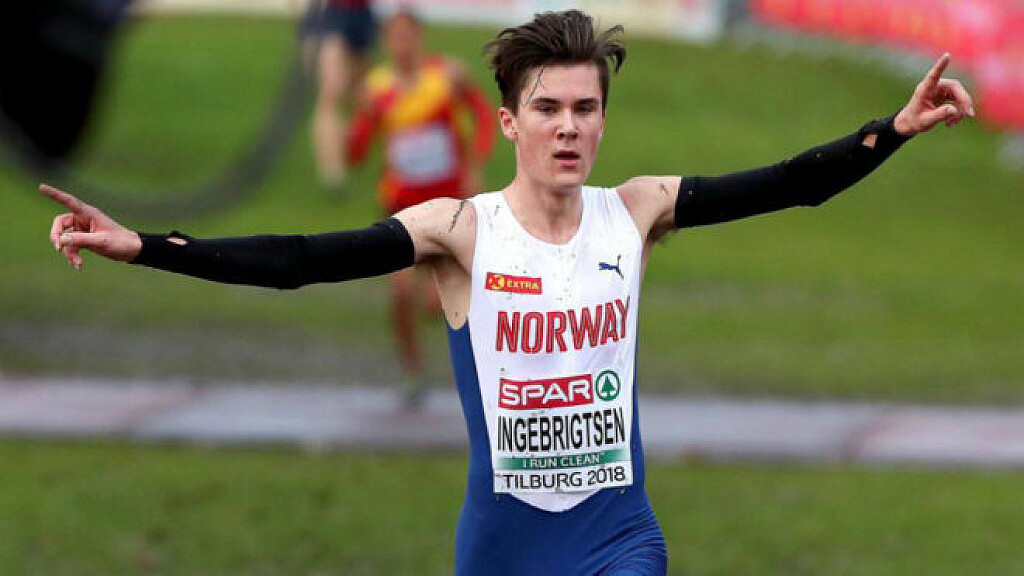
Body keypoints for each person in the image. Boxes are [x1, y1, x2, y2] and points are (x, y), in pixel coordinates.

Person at [43, 10, 973, 575]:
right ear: (508, 122)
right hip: (502, 548)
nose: (569, 128)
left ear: (603, 120)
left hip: (619, 539)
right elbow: (298, 259)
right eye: (548, 108)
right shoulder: (460, 231)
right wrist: (145, 246)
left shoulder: (637, 211)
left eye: (586, 108)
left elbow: (791, 184)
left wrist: (891, 129)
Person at [345, 8, 495, 404]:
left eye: (408, 35)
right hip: (400, 208)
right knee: (400, 294)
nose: (402, 44)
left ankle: (486, 368)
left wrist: (475, 164)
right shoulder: (376, 89)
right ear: (386, 41)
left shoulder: (446, 77)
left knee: (435, 303)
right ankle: (412, 371)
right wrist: (357, 123)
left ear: (420, 37)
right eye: (395, 37)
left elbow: (484, 114)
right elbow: (356, 152)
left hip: (448, 206)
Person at [302, 0, 377, 188]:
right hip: (333, 14)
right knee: (331, 91)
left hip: (362, 14)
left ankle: (348, 150)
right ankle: (332, 170)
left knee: (359, 93)